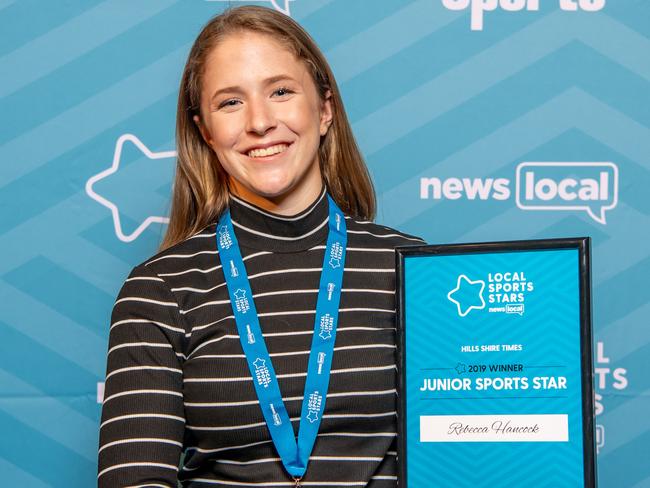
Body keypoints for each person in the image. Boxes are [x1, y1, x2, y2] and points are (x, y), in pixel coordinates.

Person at [98, 5, 424, 487]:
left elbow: (465, 451)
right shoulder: (158, 291)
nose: (260, 122)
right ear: (206, 132)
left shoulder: (412, 269)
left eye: (281, 91)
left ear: (325, 109)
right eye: (230, 102)